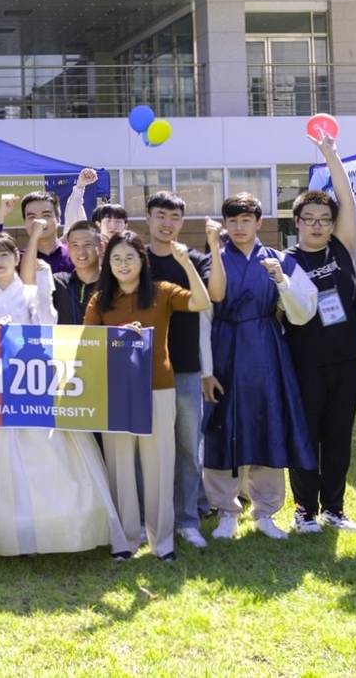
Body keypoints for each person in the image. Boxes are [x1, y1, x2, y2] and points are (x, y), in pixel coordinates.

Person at [0, 229, 127, 557]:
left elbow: (47, 323)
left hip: (31, 382)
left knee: (45, 455)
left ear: (16, 258)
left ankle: (57, 528)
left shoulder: (30, 291)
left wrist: (41, 289)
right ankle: (5, 530)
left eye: (4, 255)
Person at [84, 231, 211, 561]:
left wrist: (185, 263)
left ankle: (162, 541)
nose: (123, 265)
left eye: (130, 258)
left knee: (159, 464)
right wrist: (119, 338)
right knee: (120, 466)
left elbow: (201, 302)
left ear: (143, 261)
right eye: (116, 259)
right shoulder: (100, 301)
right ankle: (126, 540)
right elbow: (87, 344)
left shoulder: (162, 292)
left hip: (158, 387)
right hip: (115, 392)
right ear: (107, 264)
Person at [202, 193, 318, 541]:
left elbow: (304, 312)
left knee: (268, 424)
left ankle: (266, 511)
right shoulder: (213, 261)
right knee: (221, 427)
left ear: (259, 222)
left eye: (246, 220)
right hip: (223, 348)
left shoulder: (280, 261)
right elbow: (204, 316)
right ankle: (226, 511)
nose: (239, 227)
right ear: (225, 224)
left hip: (266, 348)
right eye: (232, 221)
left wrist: (281, 280)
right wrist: (206, 369)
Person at [284, 131, 356, 533]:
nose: (317, 226)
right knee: (306, 437)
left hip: (346, 360)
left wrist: (330, 152)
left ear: (333, 224)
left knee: (338, 438)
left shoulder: (342, 248)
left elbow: (346, 197)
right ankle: (304, 510)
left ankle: (334, 509)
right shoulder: (285, 262)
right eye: (309, 219)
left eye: (324, 220)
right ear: (296, 222)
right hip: (305, 364)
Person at [144, 190, 214, 550]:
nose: (167, 223)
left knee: (188, 447)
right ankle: (147, 520)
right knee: (144, 449)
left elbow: (213, 295)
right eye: (160, 216)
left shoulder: (195, 260)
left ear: (181, 222)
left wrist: (194, 258)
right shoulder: (135, 259)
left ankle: (187, 520)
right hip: (141, 370)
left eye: (174, 218)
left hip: (185, 367)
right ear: (148, 218)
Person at [52, 221, 103, 325]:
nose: (81, 251)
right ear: (69, 249)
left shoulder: (113, 284)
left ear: (101, 248)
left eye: (87, 244)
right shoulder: (57, 283)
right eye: (75, 245)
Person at [17, 190, 73, 276]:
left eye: (46, 215)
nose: (39, 221)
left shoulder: (74, 255)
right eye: (32, 217)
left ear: (58, 219)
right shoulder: (16, 260)